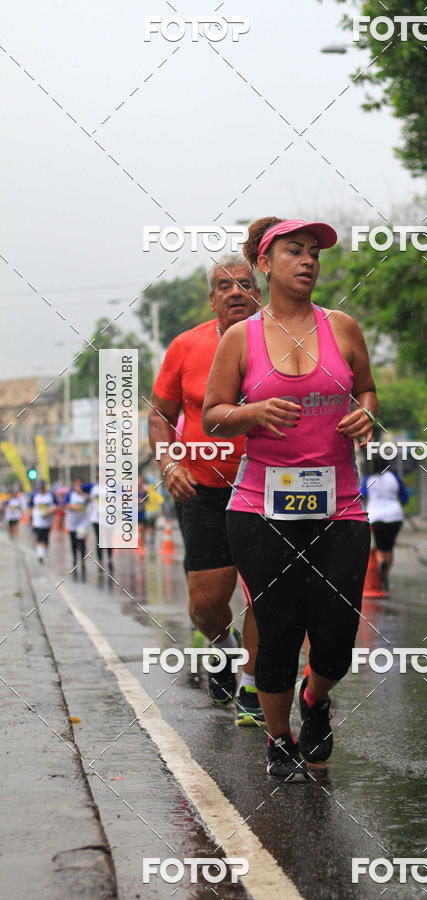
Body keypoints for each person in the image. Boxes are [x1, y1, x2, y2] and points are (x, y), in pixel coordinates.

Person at [203, 217, 376, 781]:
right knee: (276, 630)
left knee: (337, 636)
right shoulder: (240, 338)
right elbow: (212, 417)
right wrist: (250, 414)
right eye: (294, 252)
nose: (307, 261)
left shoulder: (344, 327)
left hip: (340, 504)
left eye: (314, 254)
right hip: (260, 508)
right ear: (265, 264)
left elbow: (366, 387)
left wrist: (367, 412)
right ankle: (279, 739)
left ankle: (315, 697)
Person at [148, 254, 263, 726]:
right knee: (207, 603)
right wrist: (169, 460)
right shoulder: (185, 346)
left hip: (266, 485)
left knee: (265, 594)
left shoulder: (283, 340)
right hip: (204, 490)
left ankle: (254, 687)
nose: (236, 291)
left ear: (260, 291)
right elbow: (158, 415)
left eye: (245, 283)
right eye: (224, 285)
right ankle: (222, 643)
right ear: (212, 297)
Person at [360, 456, 408, 590]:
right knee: (389, 546)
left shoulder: (368, 479)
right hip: (395, 515)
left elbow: (362, 496)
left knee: (380, 546)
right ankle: (386, 572)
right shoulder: (394, 478)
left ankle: (381, 564)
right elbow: (404, 498)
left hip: (375, 516)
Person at [64, 477, 89, 575]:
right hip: (72, 522)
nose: (78, 487)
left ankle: (82, 560)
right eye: (76, 485)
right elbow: (65, 504)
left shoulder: (86, 495)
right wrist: (72, 507)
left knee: (82, 541)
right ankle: (74, 559)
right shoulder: (70, 494)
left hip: (82, 522)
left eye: (80, 485)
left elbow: (90, 503)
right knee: (73, 542)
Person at [29, 481, 58, 563]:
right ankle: (40, 555)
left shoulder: (50, 495)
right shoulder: (34, 495)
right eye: (40, 488)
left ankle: (44, 552)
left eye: (43, 488)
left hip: (47, 522)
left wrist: (50, 511)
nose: (41, 489)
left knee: (45, 538)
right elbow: (30, 507)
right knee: (39, 537)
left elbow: (56, 506)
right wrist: (30, 518)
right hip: (37, 521)